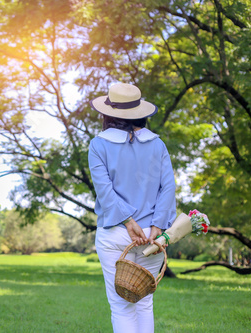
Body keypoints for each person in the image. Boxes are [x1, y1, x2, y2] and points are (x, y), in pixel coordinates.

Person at [88, 83, 177, 333]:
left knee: (121, 306)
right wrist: (157, 226)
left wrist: (128, 222)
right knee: (145, 303)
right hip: (154, 237)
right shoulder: (158, 145)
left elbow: (105, 192)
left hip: (116, 233)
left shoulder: (98, 145)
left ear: (108, 113)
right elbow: (168, 189)